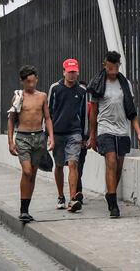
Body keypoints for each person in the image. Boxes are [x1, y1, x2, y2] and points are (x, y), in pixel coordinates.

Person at [87, 51, 140, 218]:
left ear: (119, 66)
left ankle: (110, 193)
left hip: (122, 130)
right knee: (111, 161)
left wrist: (139, 134)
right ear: (105, 65)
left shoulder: (125, 83)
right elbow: (93, 112)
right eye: (110, 68)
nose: (113, 71)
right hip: (105, 129)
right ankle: (113, 204)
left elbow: (131, 111)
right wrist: (92, 135)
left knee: (119, 166)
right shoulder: (98, 84)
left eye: (116, 67)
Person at [7, 65, 54, 223]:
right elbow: (11, 120)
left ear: (37, 80)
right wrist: (10, 142)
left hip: (39, 137)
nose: (31, 85)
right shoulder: (18, 97)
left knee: (32, 174)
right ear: (22, 81)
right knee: (26, 171)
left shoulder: (42, 96)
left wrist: (51, 137)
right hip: (23, 138)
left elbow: (47, 118)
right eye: (28, 82)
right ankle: (23, 208)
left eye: (33, 81)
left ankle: (25, 210)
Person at [48, 59, 87, 212]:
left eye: (74, 72)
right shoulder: (55, 88)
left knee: (73, 164)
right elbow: (49, 112)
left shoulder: (82, 91)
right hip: (57, 132)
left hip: (74, 132)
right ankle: (60, 196)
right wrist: (48, 134)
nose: (72, 75)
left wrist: (84, 135)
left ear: (77, 72)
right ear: (64, 71)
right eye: (69, 72)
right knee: (58, 165)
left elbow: (84, 114)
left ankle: (72, 199)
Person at [77, 80, 90, 204]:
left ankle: (77, 192)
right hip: (71, 137)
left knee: (79, 166)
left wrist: (88, 138)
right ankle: (76, 192)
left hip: (83, 140)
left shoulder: (89, 106)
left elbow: (92, 122)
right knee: (73, 165)